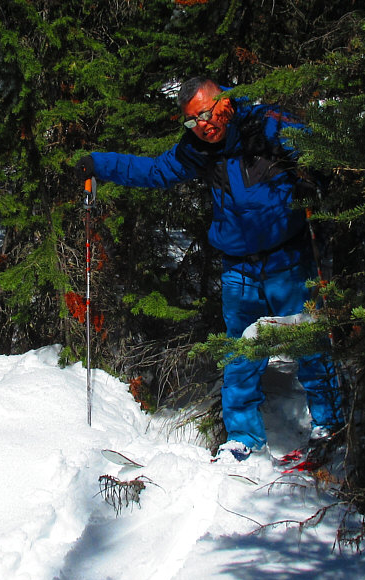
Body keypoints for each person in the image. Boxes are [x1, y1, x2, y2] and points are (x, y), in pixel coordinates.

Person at [74, 77, 343, 461]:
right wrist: (99, 164)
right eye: (191, 121)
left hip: (289, 258)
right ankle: (244, 440)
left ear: (225, 103)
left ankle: (330, 425)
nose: (202, 125)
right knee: (239, 352)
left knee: (310, 341)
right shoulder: (198, 148)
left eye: (205, 114)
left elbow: (319, 150)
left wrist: (317, 173)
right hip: (238, 267)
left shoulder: (267, 125)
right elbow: (154, 171)